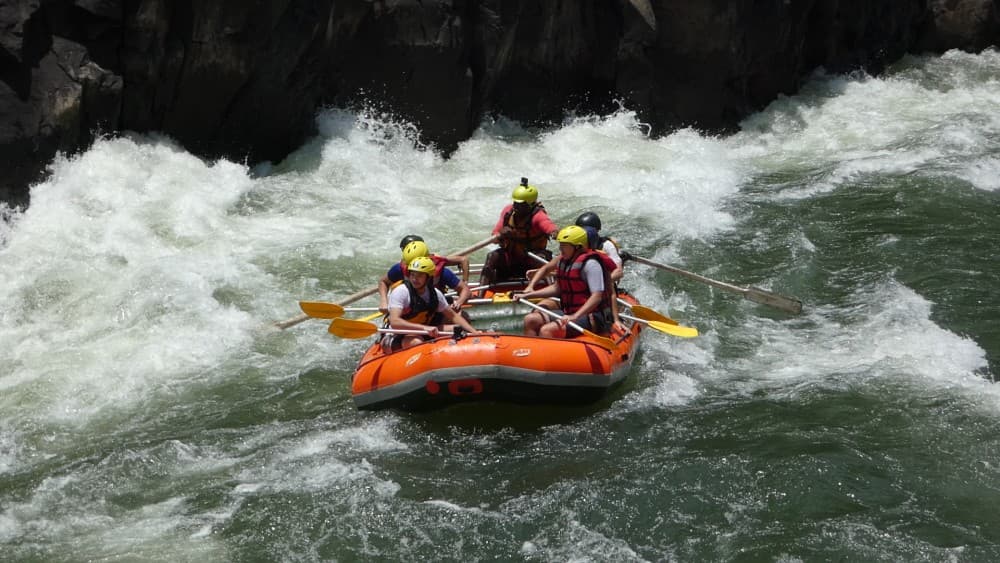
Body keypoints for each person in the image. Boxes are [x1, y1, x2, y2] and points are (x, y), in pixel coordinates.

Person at [514, 225, 621, 338]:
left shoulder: (591, 264)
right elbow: (557, 288)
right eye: (560, 245)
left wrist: (575, 316)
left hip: (592, 316)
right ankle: (531, 353)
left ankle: (549, 354)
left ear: (578, 247)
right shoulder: (564, 261)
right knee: (530, 320)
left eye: (564, 246)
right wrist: (529, 295)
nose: (560, 249)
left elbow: (596, 297)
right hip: (570, 312)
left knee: (547, 330)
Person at [383, 257, 483, 352]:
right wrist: (424, 328)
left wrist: (473, 332)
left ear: (428, 278)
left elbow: (453, 315)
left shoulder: (435, 293)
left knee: (458, 330)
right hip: (398, 335)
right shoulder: (401, 292)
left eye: (419, 275)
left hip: (425, 330)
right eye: (412, 275)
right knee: (417, 342)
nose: (414, 279)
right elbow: (395, 322)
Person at [479, 177, 559, 287]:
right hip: (511, 259)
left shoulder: (538, 216)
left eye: (520, 204)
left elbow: (551, 228)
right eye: (515, 202)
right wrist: (501, 234)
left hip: (532, 262)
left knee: (542, 258)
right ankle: (480, 293)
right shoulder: (508, 212)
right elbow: (494, 235)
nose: (516, 206)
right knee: (492, 256)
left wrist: (554, 233)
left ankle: (552, 292)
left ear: (530, 205)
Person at [523, 211, 623, 292]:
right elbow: (571, 271)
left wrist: (598, 283)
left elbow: (618, 272)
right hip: (580, 283)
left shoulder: (607, 246)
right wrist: (544, 273)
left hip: (602, 286)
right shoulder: (575, 245)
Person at [378, 240, 472, 314]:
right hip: (408, 310)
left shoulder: (442, 273)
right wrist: (384, 301)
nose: (412, 269)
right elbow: (383, 281)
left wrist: (458, 303)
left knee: (459, 316)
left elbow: (465, 290)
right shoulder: (399, 269)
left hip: (434, 308)